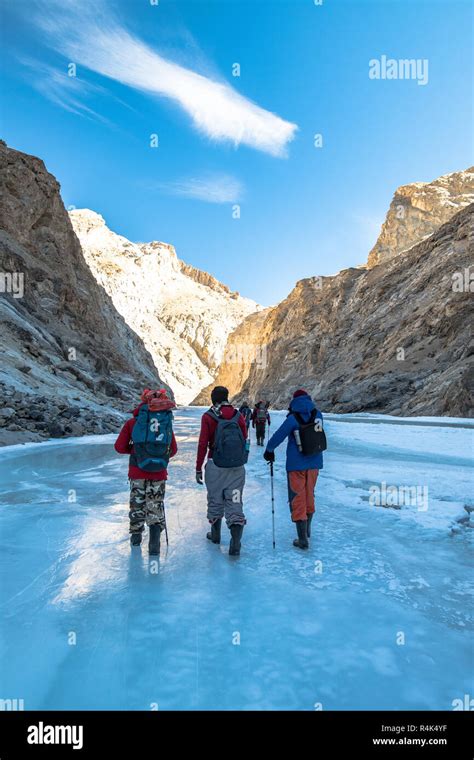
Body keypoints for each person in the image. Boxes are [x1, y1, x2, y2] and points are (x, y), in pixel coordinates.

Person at [114, 388, 177, 555]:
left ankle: (136, 540)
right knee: (155, 505)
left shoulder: (133, 423)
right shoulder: (165, 423)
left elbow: (119, 447)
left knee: (137, 505)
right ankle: (154, 542)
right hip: (159, 473)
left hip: (137, 471)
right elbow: (174, 449)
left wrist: (137, 452)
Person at [263, 389, 323, 550]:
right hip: (315, 463)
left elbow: (278, 436)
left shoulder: (293, 418)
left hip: (296, 465)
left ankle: (302, 538)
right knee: (310, 494)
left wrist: (269, 450)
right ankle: (307, 529)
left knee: (297, 497)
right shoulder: (317, 414)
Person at [196, 386, 248, 556]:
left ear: (213, 399)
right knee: (235, 502)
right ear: (227, 397)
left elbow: (203, 443)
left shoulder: (208, 416)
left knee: (215, 499)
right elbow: (245, 437)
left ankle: (216, 535)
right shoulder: (237, 415)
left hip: (215, 466)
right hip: (236, 469)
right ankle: (236, 542)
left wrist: (198, 468)